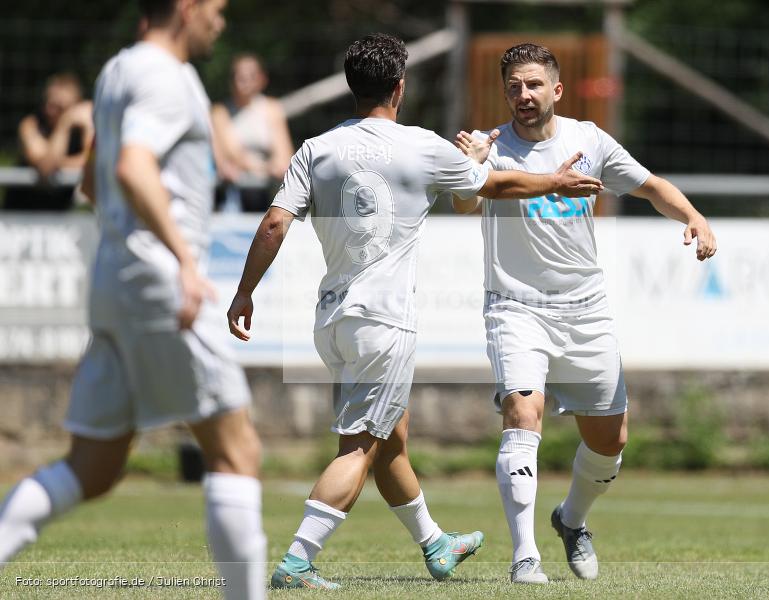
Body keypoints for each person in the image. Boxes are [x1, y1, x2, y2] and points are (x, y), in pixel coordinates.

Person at [226, 33, 602, 589]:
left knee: (390, 439)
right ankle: (298, 560)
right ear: (399, 87)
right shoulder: (420, 146)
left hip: (333, 320)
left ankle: (434, 544)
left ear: (353, 86)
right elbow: (491, 185)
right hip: (384, 321)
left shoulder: (316, 148)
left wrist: (244, 292)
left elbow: (275, 222)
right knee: (360, 447)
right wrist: (554, 180)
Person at [0, 2, 267, 599]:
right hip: (162, 281)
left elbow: (93, 180)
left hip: (115, 281)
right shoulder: (164, 76)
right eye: (216, 10)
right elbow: (131, 166)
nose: (219, 23)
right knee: (236, 452)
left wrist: (132, 246)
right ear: (185, 8)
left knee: (91, 469)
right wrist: (183, 261)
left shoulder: (117, 70)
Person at [453, 43, 717, 584]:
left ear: (557, 89)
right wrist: (470, 166)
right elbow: (464, 201)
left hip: (585, 311)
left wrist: (692, 215)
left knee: (610, 440)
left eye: (532, 85)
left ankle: (571, 520)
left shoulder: (588, 139)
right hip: (516, 306)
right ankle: (525, 555)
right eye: (513, 87)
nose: (522, 96)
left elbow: (650, 187)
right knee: (523, 414)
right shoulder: (491, 147)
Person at [211, 53, 292, 211]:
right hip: (234, 195)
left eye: (251, 76)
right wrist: (267, 168)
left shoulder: (272, 109)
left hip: (269, 194)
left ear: (262, 79)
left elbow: (284, 156)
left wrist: (274, 167)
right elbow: (234, 154)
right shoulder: (220, 113)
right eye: (240, 76)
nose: (245, 81)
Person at [4, 72, 94, 210]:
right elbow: (47, 168)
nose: (50, 110)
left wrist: (90, 124)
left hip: (60, 219)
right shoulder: (31, 125)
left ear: (76, 106)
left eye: (60, 107)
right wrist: (64, 125)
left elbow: (92, 165)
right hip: (19, 217)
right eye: (48, 103)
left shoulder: (81, 128)